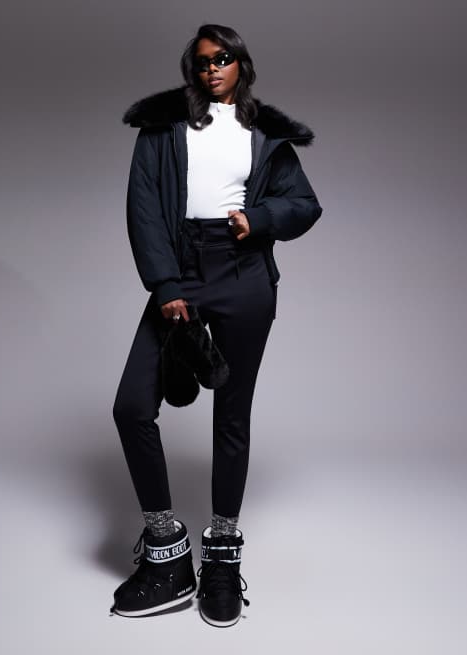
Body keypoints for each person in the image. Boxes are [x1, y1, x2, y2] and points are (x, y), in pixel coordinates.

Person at [109, 23, 323, 628]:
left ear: (241, 65)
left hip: (244, 275)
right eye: (202, 60)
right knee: (132, 407)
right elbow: (143, 208)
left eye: (223, 58)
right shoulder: (161, 128)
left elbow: (304, 204)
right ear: (192, 68)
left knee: (232, 415)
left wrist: (259, 219)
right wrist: (166, 286)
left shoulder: (266, 134)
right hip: (182, 269)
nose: (212, 68)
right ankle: (167, 550)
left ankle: (222, 555)